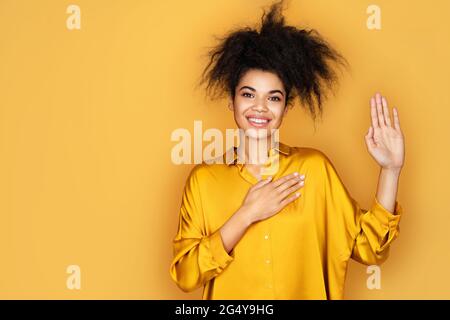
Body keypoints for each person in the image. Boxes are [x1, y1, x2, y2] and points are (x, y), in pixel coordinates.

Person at [169, 0, 404, 299]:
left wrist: (391, 170)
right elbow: (186, 275)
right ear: (232, 101)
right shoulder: (203, 181)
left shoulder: (315, 169)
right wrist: (247, 214)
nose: (260, 107)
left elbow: (370, 248)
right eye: (248, 94)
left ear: (286, 107)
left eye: (274, 98)